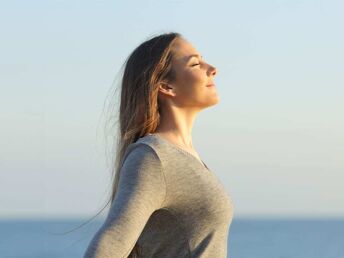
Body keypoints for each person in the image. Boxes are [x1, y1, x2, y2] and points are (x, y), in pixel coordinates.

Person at [83, 32, 234, 258]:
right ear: (165, 86)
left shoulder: (182, 155)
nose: (212, 68)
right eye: (195, 63)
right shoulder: (153, 157)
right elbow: (109, 246)